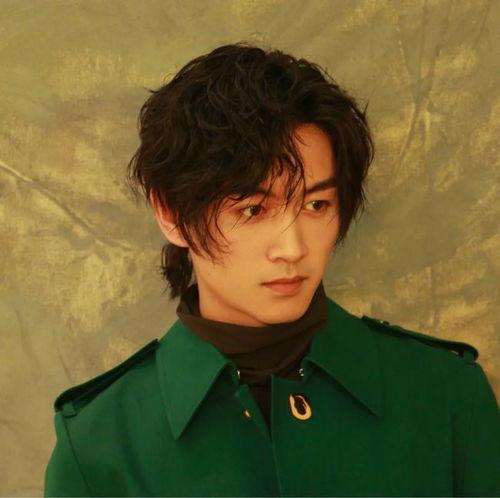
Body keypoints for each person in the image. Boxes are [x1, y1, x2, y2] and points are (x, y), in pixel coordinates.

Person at [44, 42, 500, 497]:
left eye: (316, 205)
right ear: (172, 214)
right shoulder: (99, 446)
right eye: (252, 209)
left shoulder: (447, 396)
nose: (293, 247)